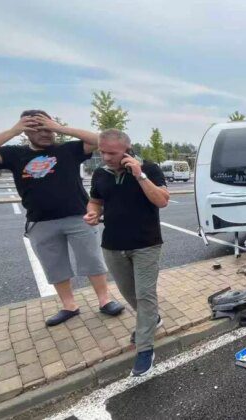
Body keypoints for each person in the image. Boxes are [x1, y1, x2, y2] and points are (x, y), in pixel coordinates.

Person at [0, 111, 124, 326]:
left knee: (92, 260)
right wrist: (13, 130)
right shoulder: (15, 154)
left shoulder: (68, 149)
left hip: (77, 216)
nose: (45, 133)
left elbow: (99, 140)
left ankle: (104, 300)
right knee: (54, 266)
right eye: (38, 129)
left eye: (48, 128)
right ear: (26, 132)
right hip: (40, 221)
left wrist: (59, 128)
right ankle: (69, 306)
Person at [85, 129, 169, 376]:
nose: (106, 157)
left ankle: (144, 348)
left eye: (112, 152)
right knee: (128, 293)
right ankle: (151, 320)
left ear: (127, 149)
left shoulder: (149, 168)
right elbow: (96, 201)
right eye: (102, 151)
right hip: (112, 244)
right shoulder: (100, 174)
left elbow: (162, 200)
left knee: (144, 295)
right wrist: (93, 212)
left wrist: (139, 174)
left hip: (146, 244)